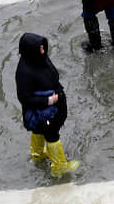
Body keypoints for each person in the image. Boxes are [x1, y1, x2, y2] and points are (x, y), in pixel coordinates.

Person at [15, 33, 79, 177]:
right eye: (40, 48)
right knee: (51, 135)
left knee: (38, 130)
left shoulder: (39, 59)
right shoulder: (24, 72)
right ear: (31, 51)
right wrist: (48, 101)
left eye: (43, 47)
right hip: (43, 111)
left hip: (49, 107)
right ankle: (59, 167)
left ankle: (37, 155)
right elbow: (24, 98)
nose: (43, 50)